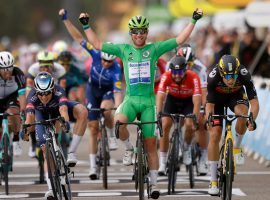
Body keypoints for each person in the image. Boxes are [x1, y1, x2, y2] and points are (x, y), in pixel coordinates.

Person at [75, 7, 203, 198]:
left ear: (146, 33)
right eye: (135, 32)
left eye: (142, 31)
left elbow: (179, 40)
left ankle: (154, 182)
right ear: (131, 34)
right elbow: (98, 43)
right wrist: (85, 25)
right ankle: (128, 149)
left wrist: (193, 20)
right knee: (119, 122)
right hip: (131, 100)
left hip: (148, 102)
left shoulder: (153, 49)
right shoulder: (123, 49)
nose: (139, 35)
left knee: (151, 144)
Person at [59, 9, 123, 180]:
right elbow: (79, 38)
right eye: (103, 60)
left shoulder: (117, 69)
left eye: (109, 61)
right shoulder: (95, 53)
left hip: (108, 91)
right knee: (93, 128)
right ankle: (93, 166)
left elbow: (117, 91)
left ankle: (111, 136)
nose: (105, 63)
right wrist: (66, 20)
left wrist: (118, 109)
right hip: (92, 90)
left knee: (107, 109)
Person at [22, 72, 87, 199]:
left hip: (57, 111)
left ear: (52, 89)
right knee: (46, 151)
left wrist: (66, 122)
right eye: (40, 93)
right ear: (36, 91)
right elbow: (29, 117)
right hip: (40, 114)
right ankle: (51, 188)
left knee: (82, 111)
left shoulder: (59, 91)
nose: (44, 97)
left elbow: (63, 110)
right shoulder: (32, 96)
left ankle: (71, 152)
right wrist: (25, 130)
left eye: (46, 93)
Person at [206, 54, 259, 195]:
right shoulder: (212, 76)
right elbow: (209, 106)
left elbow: (254, 102)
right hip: (216, 100)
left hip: (236, 97)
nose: (231, 80)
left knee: (242, 115)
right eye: (228, 77)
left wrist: (252, 119)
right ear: (221, 73)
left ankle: (236, 147)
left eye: (234, 77)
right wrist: (209, 119)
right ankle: (213, 180)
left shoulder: (244, 73)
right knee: (215, 134)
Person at [156, 55, 201, 175]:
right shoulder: (166, 76)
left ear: (185, 70)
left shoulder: (194, 77)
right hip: (172, 100)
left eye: (180, 72)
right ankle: (163, 162)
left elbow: (197, 101)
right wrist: (159, 113)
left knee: (190, 124)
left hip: (187, 103)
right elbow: (160, 96)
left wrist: (195, 117)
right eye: (174, 72)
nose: (177, 75)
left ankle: (186, 149)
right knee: (165, 126)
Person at [177, 44, 209, 175]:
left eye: (190, 64)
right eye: (185, 64)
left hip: (195, 97)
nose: (188, 67)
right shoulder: (171, 66)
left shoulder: (200, 68)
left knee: (201, 124)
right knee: (175, 120)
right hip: (178, 95)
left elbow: (203, 92)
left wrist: (205, 110)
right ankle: (177, 147)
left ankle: (203, 158)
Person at [0, 51, 26, 156]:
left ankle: (16, 141)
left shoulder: (18, 72)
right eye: (5, 69)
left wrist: (23, 110)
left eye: (10, 68)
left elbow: (22, 94)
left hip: (12, 96)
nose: (8, 72)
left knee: (14, 112)